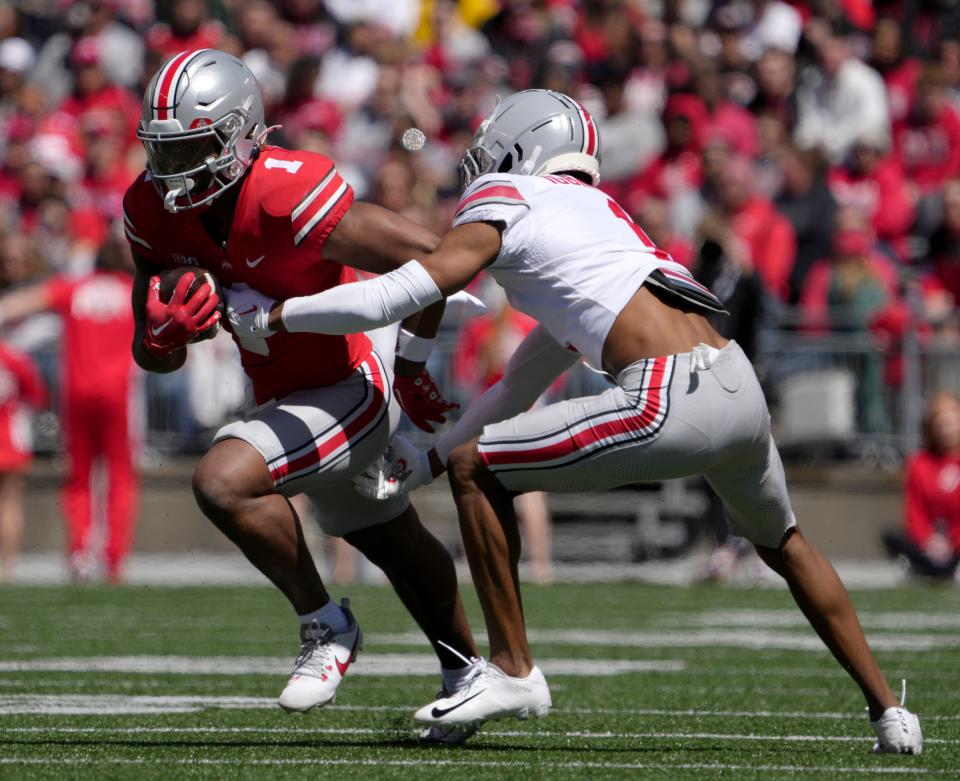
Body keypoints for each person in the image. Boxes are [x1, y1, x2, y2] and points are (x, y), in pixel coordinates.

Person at [225, 89, 923, 754]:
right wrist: (426, 454)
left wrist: (279, 315)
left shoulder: (510, 195)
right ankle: (889, 709)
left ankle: (513, 668)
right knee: (788, 543)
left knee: (481, 466)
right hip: (736, 384)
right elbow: (522, 379)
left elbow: (412, 285)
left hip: (668, 395)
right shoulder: (597, 222)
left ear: (517, 146)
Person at [121, 49, 478, 743]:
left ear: (239, 135)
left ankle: (326, 624)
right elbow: (149, 353)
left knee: (223, 481)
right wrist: (162, 339)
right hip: (284, 395)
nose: (170, 172)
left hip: (350, 380)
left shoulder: (286, 189)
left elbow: (434, 260)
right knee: (389, 535)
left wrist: (411, 365)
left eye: (190, 149)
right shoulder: (151, 209)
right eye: (162, 153)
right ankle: (468, 675)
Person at [0, 237, 138, 583]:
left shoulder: (75, 288)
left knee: (79, 478)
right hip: (119, 396)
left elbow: (21, 303)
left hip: (76, 394)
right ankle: (114, 560)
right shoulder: (133, 292)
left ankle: (80, 552)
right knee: (119, 479)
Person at [883, 392, 960, 580]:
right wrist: (928, 539)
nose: (946, 429)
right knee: (892, 537)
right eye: (941, 423)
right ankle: (930, 566)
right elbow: (914, 511)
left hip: (956, 542)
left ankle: (936, 567)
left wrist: (953, 540)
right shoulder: (919, 464)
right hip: (932, 544)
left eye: (951, 421)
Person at [0, 339, 46, 582]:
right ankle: (6, 569)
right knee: (10, 502)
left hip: (10, 437)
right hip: (11, 439)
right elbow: (37, 397)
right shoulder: (14, 357)